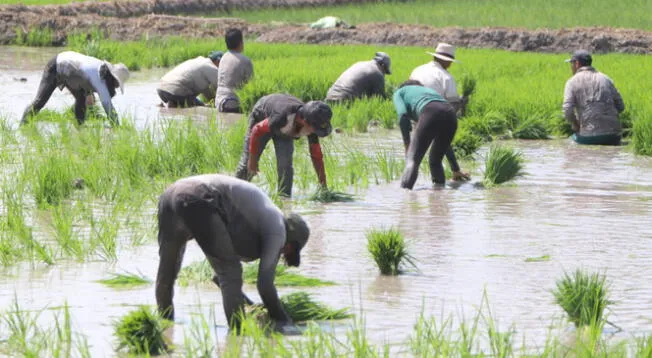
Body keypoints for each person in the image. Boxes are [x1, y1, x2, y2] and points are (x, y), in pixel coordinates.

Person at [155, 174, 310, 332]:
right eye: (290, 250)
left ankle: (164, 329)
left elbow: (219, 278)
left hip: (170, 195)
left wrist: (252, 306)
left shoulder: (258, 219)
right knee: (230, 272)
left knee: (167, 273)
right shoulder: (278, 230)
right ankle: (238, 335)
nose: (283, 253)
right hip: (199, 196)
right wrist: (284, 321)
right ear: (291, 243)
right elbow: (264, 285)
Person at [235, 94, 333, 197]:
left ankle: (284, 200)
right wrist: (253, 161)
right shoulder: (281, 117)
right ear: (304, 122)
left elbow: (316, 156)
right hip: (262, 116)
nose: (315, 132)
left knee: (285, 166)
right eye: (315, 129)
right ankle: (234, 194)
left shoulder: (312, 123)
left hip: (284, 128)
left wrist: (323, 186)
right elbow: (257, 130)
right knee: (247, 165)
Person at [393, 80, 469, 190]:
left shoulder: (400, 92)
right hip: (450, 113)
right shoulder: (428, 92)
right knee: (435, 160)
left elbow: (402, 117)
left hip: (429, 111)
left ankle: (404, 197)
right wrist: (455, 169)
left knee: (412, 160)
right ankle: (439, 197)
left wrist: (407, 146)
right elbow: (445, 144)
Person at [21, 51, 129, 126]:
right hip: (56, 66)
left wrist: (89, 95)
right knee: (39, 102)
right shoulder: (99, 79)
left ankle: (79, 129)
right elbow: (109, 108)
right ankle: (22, 127)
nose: (116, 87)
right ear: (112, 77)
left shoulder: (101, 73)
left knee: (81, 99)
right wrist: (117, 129)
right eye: (117, 83)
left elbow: (84, 77)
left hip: (72, 73)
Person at [563, 50, 625, 145]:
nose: (571, 67)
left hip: (589, 135)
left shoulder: (571, 82)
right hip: (614, 136)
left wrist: (575, 124)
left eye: (571, 63)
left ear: (577, 63)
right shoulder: (606, 79)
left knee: (570, 143)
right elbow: (621, 106)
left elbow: (567, 109)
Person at [409, 43, 467, 115]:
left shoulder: (417, 70)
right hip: (433, 116)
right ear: (447, 61)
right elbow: (453, 105)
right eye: (450, 61)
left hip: (413, 112)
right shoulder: (446, 77)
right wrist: (461, 103)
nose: (450, 64)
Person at [157, 51, 223, 108]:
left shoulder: (199, 61)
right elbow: (221, 87)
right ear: (218, 61)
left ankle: (169, 104)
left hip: (161, 90)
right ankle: (172, 104)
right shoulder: (211, 67)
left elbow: (207, 91)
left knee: (188, 101)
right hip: (175, 92)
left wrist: (212, 99)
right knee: (203, 107)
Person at [325, 52, 391, 102]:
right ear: (382, 65)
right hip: (344, 100)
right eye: (385, 71)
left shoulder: (359, 63)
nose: (384, 74)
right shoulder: (377, 73)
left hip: (329, 96)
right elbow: (379, 99)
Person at [215, 28, 254, 113]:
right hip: (232, 103)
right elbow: (251, 86)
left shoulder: (223, 57)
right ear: (240, 43)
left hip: (218, 102)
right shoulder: (245, 60)